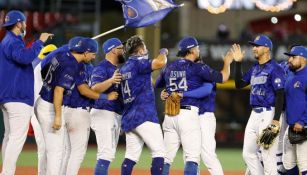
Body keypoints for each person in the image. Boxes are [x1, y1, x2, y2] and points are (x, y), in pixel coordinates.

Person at [156, 36, 233, 175]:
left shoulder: (170, 67)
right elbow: (223, 77)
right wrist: (227, 62)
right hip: (188, 115)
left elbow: (158, 83)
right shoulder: (199, 68)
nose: (199, 50)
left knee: (168, 158)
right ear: (191, 50)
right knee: (191, 158)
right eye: (197, 48)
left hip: (172, 114)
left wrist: (168, 91)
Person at [35, 37, 98, 175]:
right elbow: (58, 91)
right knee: (56, 152)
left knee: (55, 150)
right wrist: (58, 117)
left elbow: (43, 69)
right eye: (93, 53)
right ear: (85, 52)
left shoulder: (63, 54)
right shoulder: (71, 64)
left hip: (44, 101)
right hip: (49, 107)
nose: (94, 57)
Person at [0, 10, 53, 175]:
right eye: (23, 23)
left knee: (9, 137)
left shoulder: (7, 41)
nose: (25, 25)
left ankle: (6, 172)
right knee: (16, 137)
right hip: (17, 97)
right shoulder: (13, 41)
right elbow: (24, 57)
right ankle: (7, 173)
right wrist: (40, 42)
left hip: (9, 96)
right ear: (18, 23)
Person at [232, 35, 286, 175]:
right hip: (254, 114)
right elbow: (239, 84)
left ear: (267, 48)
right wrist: (238, 63)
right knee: (248, 154)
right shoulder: (254, 68)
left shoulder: (275, 68)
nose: (254, 48)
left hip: (269, 113)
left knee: (268, 156)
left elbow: (280, 94)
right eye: (253, 46)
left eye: (257, 46)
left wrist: (275, 120)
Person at [119, 35, 167, 175]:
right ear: (140, 51)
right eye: (144, 47)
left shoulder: (124, 69)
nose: (146, 50)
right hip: (144, 115)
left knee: (131, 156)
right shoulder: (138, 63)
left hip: (129, 117)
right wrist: (163, 52)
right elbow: (160, 63)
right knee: (159, 152)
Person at [90, 38, 125, 175]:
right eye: (121, 48)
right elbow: (94, 88)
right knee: (106, 154)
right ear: (113, 50)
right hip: (102, 111)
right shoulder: (102, 67)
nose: (123, 51)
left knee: (107, 154)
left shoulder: (117, 69)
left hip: (113, 113)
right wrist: (110, 81)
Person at [32, 44, 58, 175]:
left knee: (46, 147)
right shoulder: (42, 65)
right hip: (43, 110)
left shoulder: (36, 64)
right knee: (47, 148)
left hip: (36, 110)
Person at [282, 45, 307, 174]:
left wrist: (302, 121)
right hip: (291, 126)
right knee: (288, 164)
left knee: (304, 165)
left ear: (303, 59)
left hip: (304, 126)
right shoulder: (290, 75)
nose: (289, 60)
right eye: (289, 57)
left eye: (293, 57)